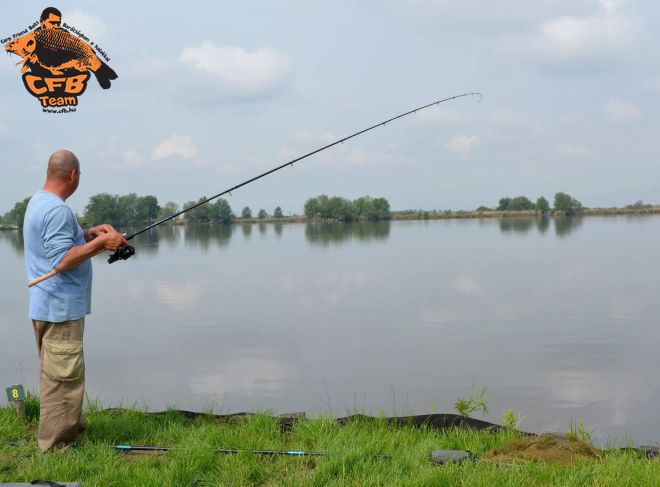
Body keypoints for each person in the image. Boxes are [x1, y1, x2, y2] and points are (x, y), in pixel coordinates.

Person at [23, 149, 127, 452]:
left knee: (62, 376)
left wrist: (87, 234)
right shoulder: (57, 210)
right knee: (62, 380)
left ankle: (72, 434)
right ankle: (57, 450)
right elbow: (61, 259)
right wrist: (101, 242)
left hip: (48, 305)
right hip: (59, 309)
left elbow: (60, 243)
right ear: (73, 175)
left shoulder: (38, 201)